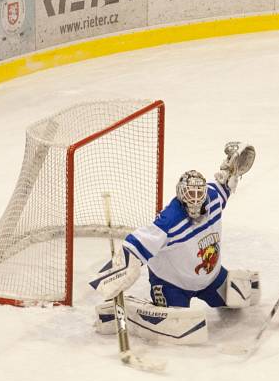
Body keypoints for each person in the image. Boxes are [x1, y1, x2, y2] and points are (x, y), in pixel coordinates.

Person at [89, 142, 260, 344]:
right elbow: (136, 244)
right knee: (182, 327)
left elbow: (225, 185)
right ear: (180, 194)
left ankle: (212, 287)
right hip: (173, 285)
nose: (196, 200)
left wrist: (231, 170)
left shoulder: (213, 198)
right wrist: (117, 273)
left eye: (199, 194)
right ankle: (131, 311)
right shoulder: (169, 220)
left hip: (210, 278)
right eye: (190, 195)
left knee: (242, 296)